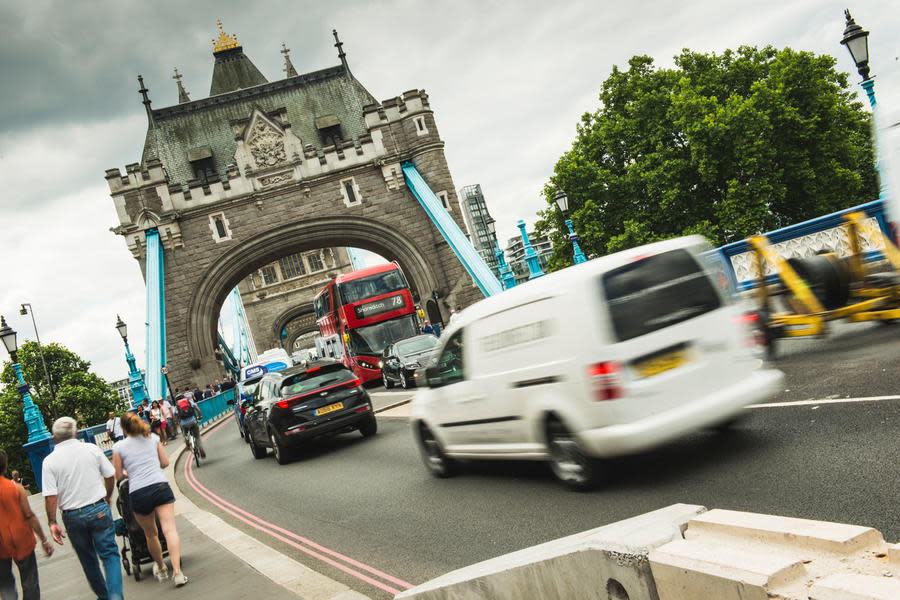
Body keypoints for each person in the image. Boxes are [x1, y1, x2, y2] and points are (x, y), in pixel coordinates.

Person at [43, 416, 123, 600]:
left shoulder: (49, 461)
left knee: (88, 560)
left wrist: (52, 522)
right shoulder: (91, 449)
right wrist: (107, 497)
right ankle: (116, 596)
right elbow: (110, 475)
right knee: (110, 554)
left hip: (72, 516)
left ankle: (104, 596)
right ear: (76, 432)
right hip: (98, 508)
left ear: (54, 437)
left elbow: (51, 496)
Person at [113, 412, 188, 587]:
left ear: (123, 428)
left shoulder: (119, 447)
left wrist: (128, 472)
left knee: (151, 534)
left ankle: (161, 567)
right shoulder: (153, 438)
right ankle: (177, 572)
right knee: (169, 529)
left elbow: (118, 475)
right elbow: (165, 463)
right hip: (159, 486)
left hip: (138, 491)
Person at [1, 449, 53, 600]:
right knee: (29, 580)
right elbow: (29, 514)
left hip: (1, 543)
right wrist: (44, 539)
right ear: (5, 467)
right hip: (21, 539)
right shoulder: (16, 489)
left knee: (5, 583)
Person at [176, 394, 205, 458]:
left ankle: (188, 445)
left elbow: (175, 415)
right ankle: (200, 448)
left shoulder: (177, 406)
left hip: (184, 424)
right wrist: (199, 416)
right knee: (197, 436)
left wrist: (177, 422)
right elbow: (198, 409)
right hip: (193, 421)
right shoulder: (189, 402)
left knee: (185, 434)